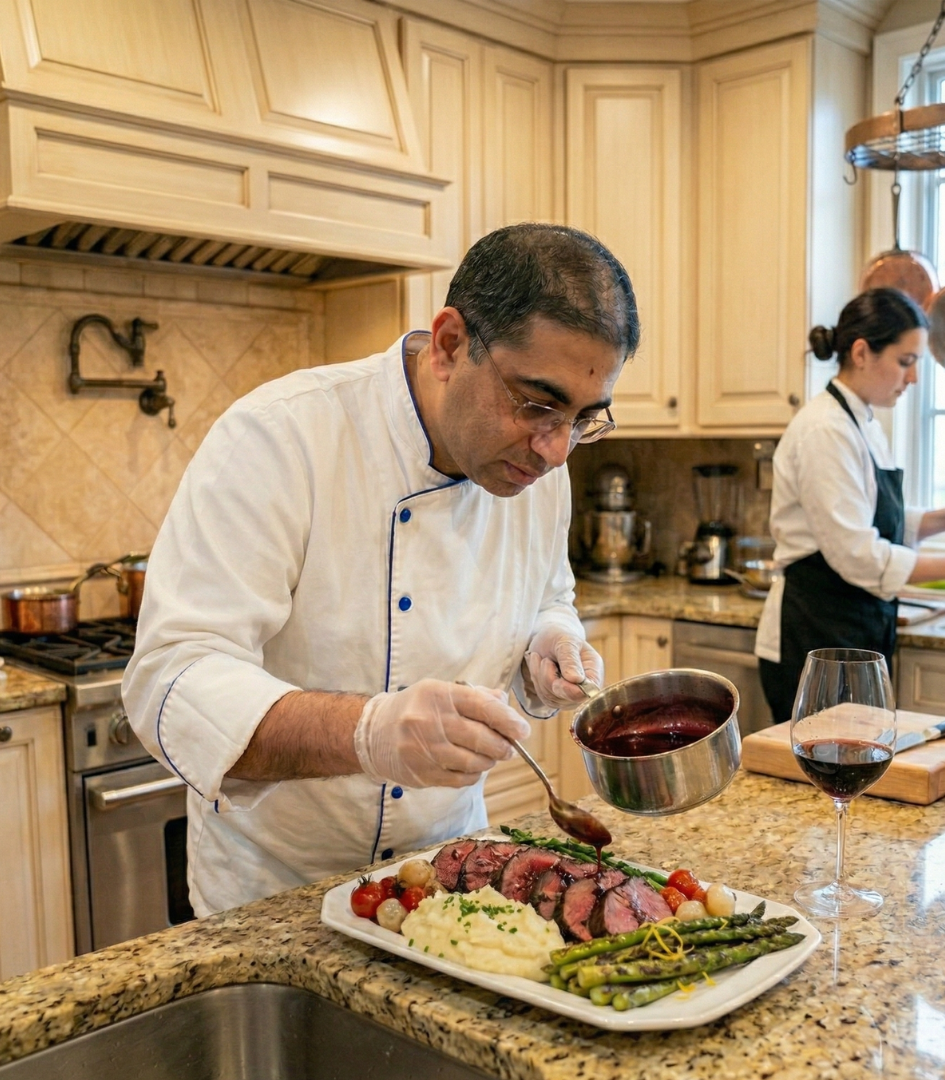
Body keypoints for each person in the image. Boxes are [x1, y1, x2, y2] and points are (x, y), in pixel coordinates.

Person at [123, 223, 639, 916]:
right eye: (537, 404)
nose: (555, 450)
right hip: (275, 894)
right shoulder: (282, 436)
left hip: (447, 879)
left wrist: (548, 640)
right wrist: (366, 733)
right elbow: (170, 679)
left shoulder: (538, 470)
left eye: (583, 418)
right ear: (451, 344)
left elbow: (548, 591)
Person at [756, 288, 945, 723]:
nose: (912, 379)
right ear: (861, 352)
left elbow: (874, 518)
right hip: (814, 638)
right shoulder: (824, 430)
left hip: (851, 634)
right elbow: (858, 554)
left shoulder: (863, 422)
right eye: (905, 362)